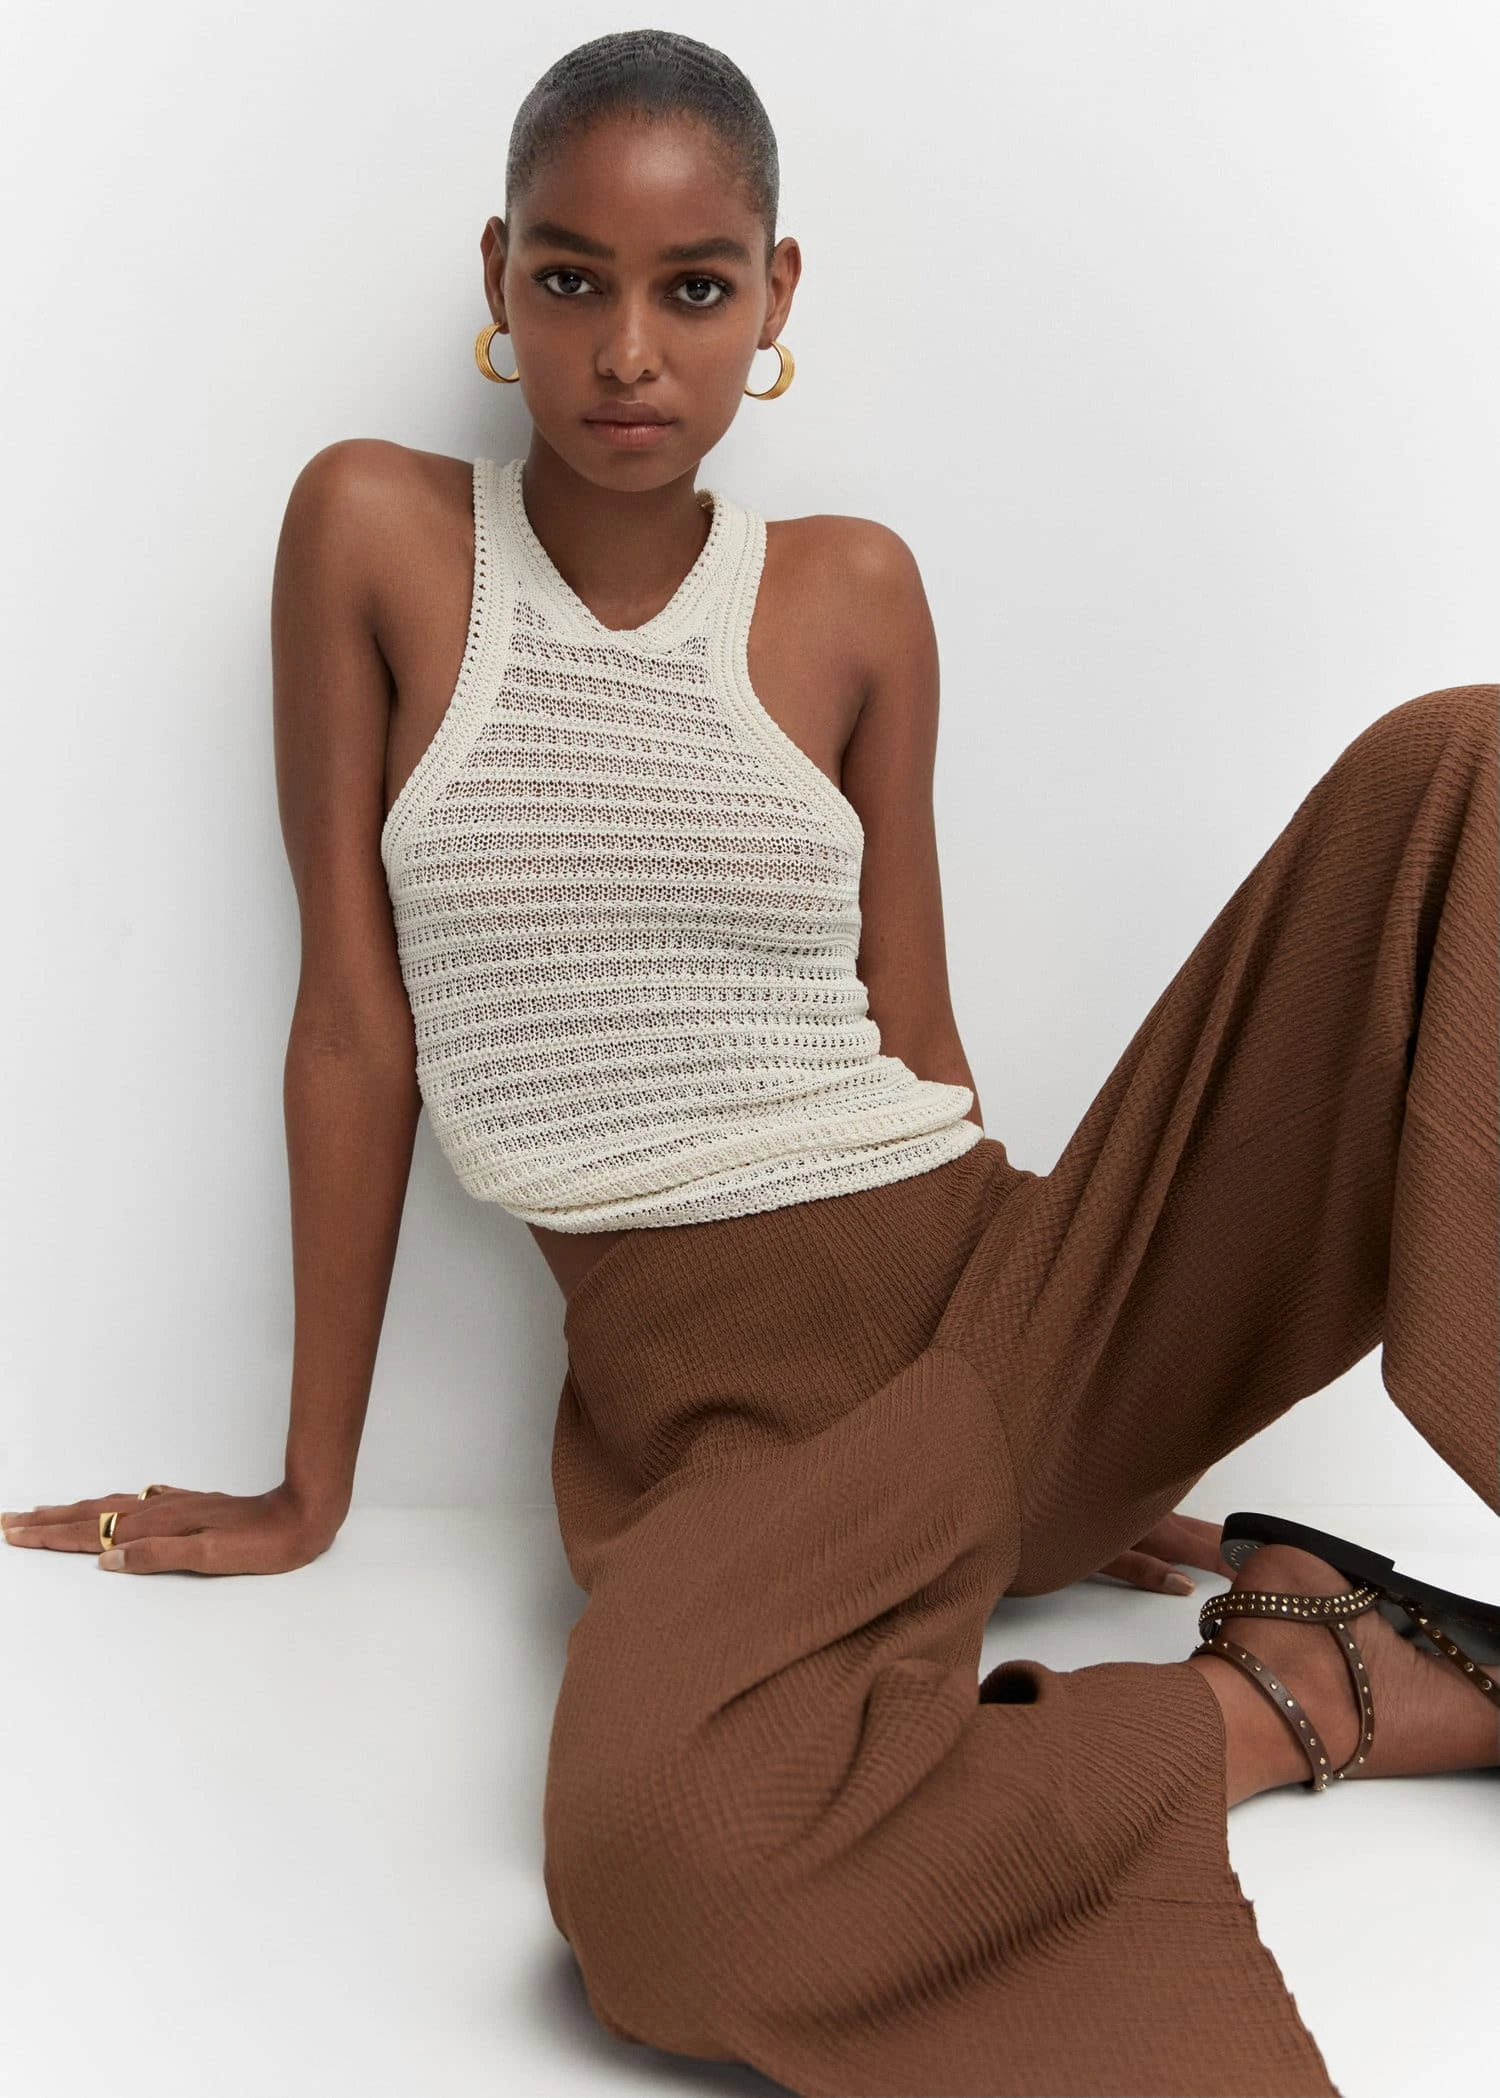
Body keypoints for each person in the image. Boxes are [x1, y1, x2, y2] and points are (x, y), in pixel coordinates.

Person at [4, 27, 1496, 2098]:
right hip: (729, 1426)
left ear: (774, 295)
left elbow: (920, 1040)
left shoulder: (855, 593)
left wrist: (1067, 1422)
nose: (629, 350)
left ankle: (1185, 1532)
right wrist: (307, 1485)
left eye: (694, 287)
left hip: (1000, 1300)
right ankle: (1299, 1692)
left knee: (1464, 768)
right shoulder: (374, 535)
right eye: (572, 279)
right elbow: (353, 1027)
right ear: (500, 277)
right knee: (659, 1879)